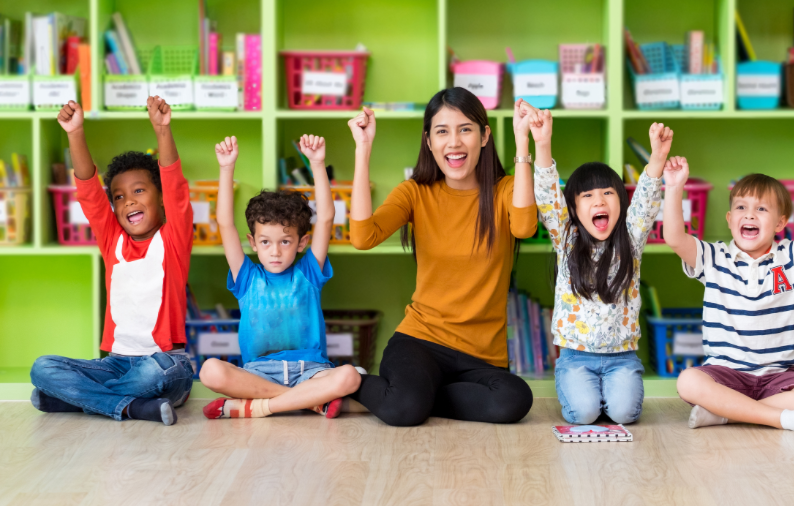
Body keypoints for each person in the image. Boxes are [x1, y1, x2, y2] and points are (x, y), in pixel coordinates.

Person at [346, 88, 538, 426]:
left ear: (484, 136)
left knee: (513, 400)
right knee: (403, 411)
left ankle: (421, 394)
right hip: (421, 341)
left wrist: (523, 143)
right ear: (429, 141)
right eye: (442, 131)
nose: (454, 142)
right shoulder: (414, 192)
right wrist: (363, 150)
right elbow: (363, 237)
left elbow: (523, 227)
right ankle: (351, 383)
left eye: (465, 129)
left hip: (482, 356)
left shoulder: (506, 190)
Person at [29, 97, 195, 426]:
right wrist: (75, 133)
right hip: (116, 363)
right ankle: (132, 407)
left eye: (139, 191)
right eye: (119, 196)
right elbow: (89, 191)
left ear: (160, 197)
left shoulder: (173, 239)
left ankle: (79, 400)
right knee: (42, 367)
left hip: (164, 363)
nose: (128, 201)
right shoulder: (112, 239)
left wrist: (162, 130)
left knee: (157, 373)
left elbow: (176, 185)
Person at [666, 161, 794, 434]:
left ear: (780, 223)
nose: (749, 215)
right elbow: (673, 237)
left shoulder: (791, 256)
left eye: (761, 209)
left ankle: (727, 413)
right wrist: (673, 188)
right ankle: (778, 418)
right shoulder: (712, 257)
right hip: (725, 373)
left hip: (779, 375)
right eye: (741, 207)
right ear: (729, 219)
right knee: (688, 381)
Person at [199, 135, 362, 419]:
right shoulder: (247, 277)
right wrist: (226, 169)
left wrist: (317, 163)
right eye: (265, 243)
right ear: (252, 242)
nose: (275, 252)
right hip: (259, 375)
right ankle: (310, 402)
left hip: (312, 372)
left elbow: (325, 217)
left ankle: (257, 408)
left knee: (349, 376)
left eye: (285, 242)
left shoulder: (308, 272)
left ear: (301, 243)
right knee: (210, 370)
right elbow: (225, 224)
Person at [535, 122, 672, 425]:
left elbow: (647, 204)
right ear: (572, 209)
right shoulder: (566, 239)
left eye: (608, 193)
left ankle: (608, 395)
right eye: (587, 196)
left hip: (621, 359)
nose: (599, 201)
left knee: (623, 413)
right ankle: (586, 394)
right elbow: (548, 198)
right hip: (575, 357)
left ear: (621, 204)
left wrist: (657, 159)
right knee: (584, 414)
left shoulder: (631, 239)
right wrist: (542, 144)